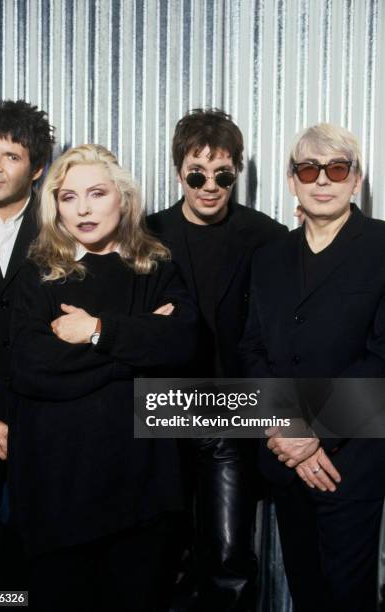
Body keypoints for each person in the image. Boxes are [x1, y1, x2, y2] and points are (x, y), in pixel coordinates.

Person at [9, 144, 197, 612]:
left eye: (96, 193)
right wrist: (134, 346)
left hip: (142, 489)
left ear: (124, 199)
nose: (84, 208)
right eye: (69, 197)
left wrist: (96, 331)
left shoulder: (156, 267)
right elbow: (33, 369)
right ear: (55, 206)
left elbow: (182, 346)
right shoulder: (38, 273)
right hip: (58, 488)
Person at [239, 123, 385, 612]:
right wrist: (287, 430)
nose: (322, 180)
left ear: (355, 180)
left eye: (336, 169)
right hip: (284, 458)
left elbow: (382, 357)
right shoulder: (269, 257)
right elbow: (253, 349)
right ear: (292, 180)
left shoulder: (382, 247)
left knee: (348, 596)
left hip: (352, 462)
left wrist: (314, 430)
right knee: (306, 591)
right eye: (309, 169)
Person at [148, 108, 287, 611]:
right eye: (197, 173)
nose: (210, 186)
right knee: (165, 553)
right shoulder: (147, 234)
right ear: (178, 171)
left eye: (223, 175)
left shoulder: (267, 236)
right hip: (162, 410)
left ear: (237, 173)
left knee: (228, 556)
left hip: (231, 411)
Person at [0, 99, 54, 589]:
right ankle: (24, 600)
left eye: (11, 156)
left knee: (45, 535)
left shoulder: (59, 235)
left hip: (41, 423)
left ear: (37, 168)